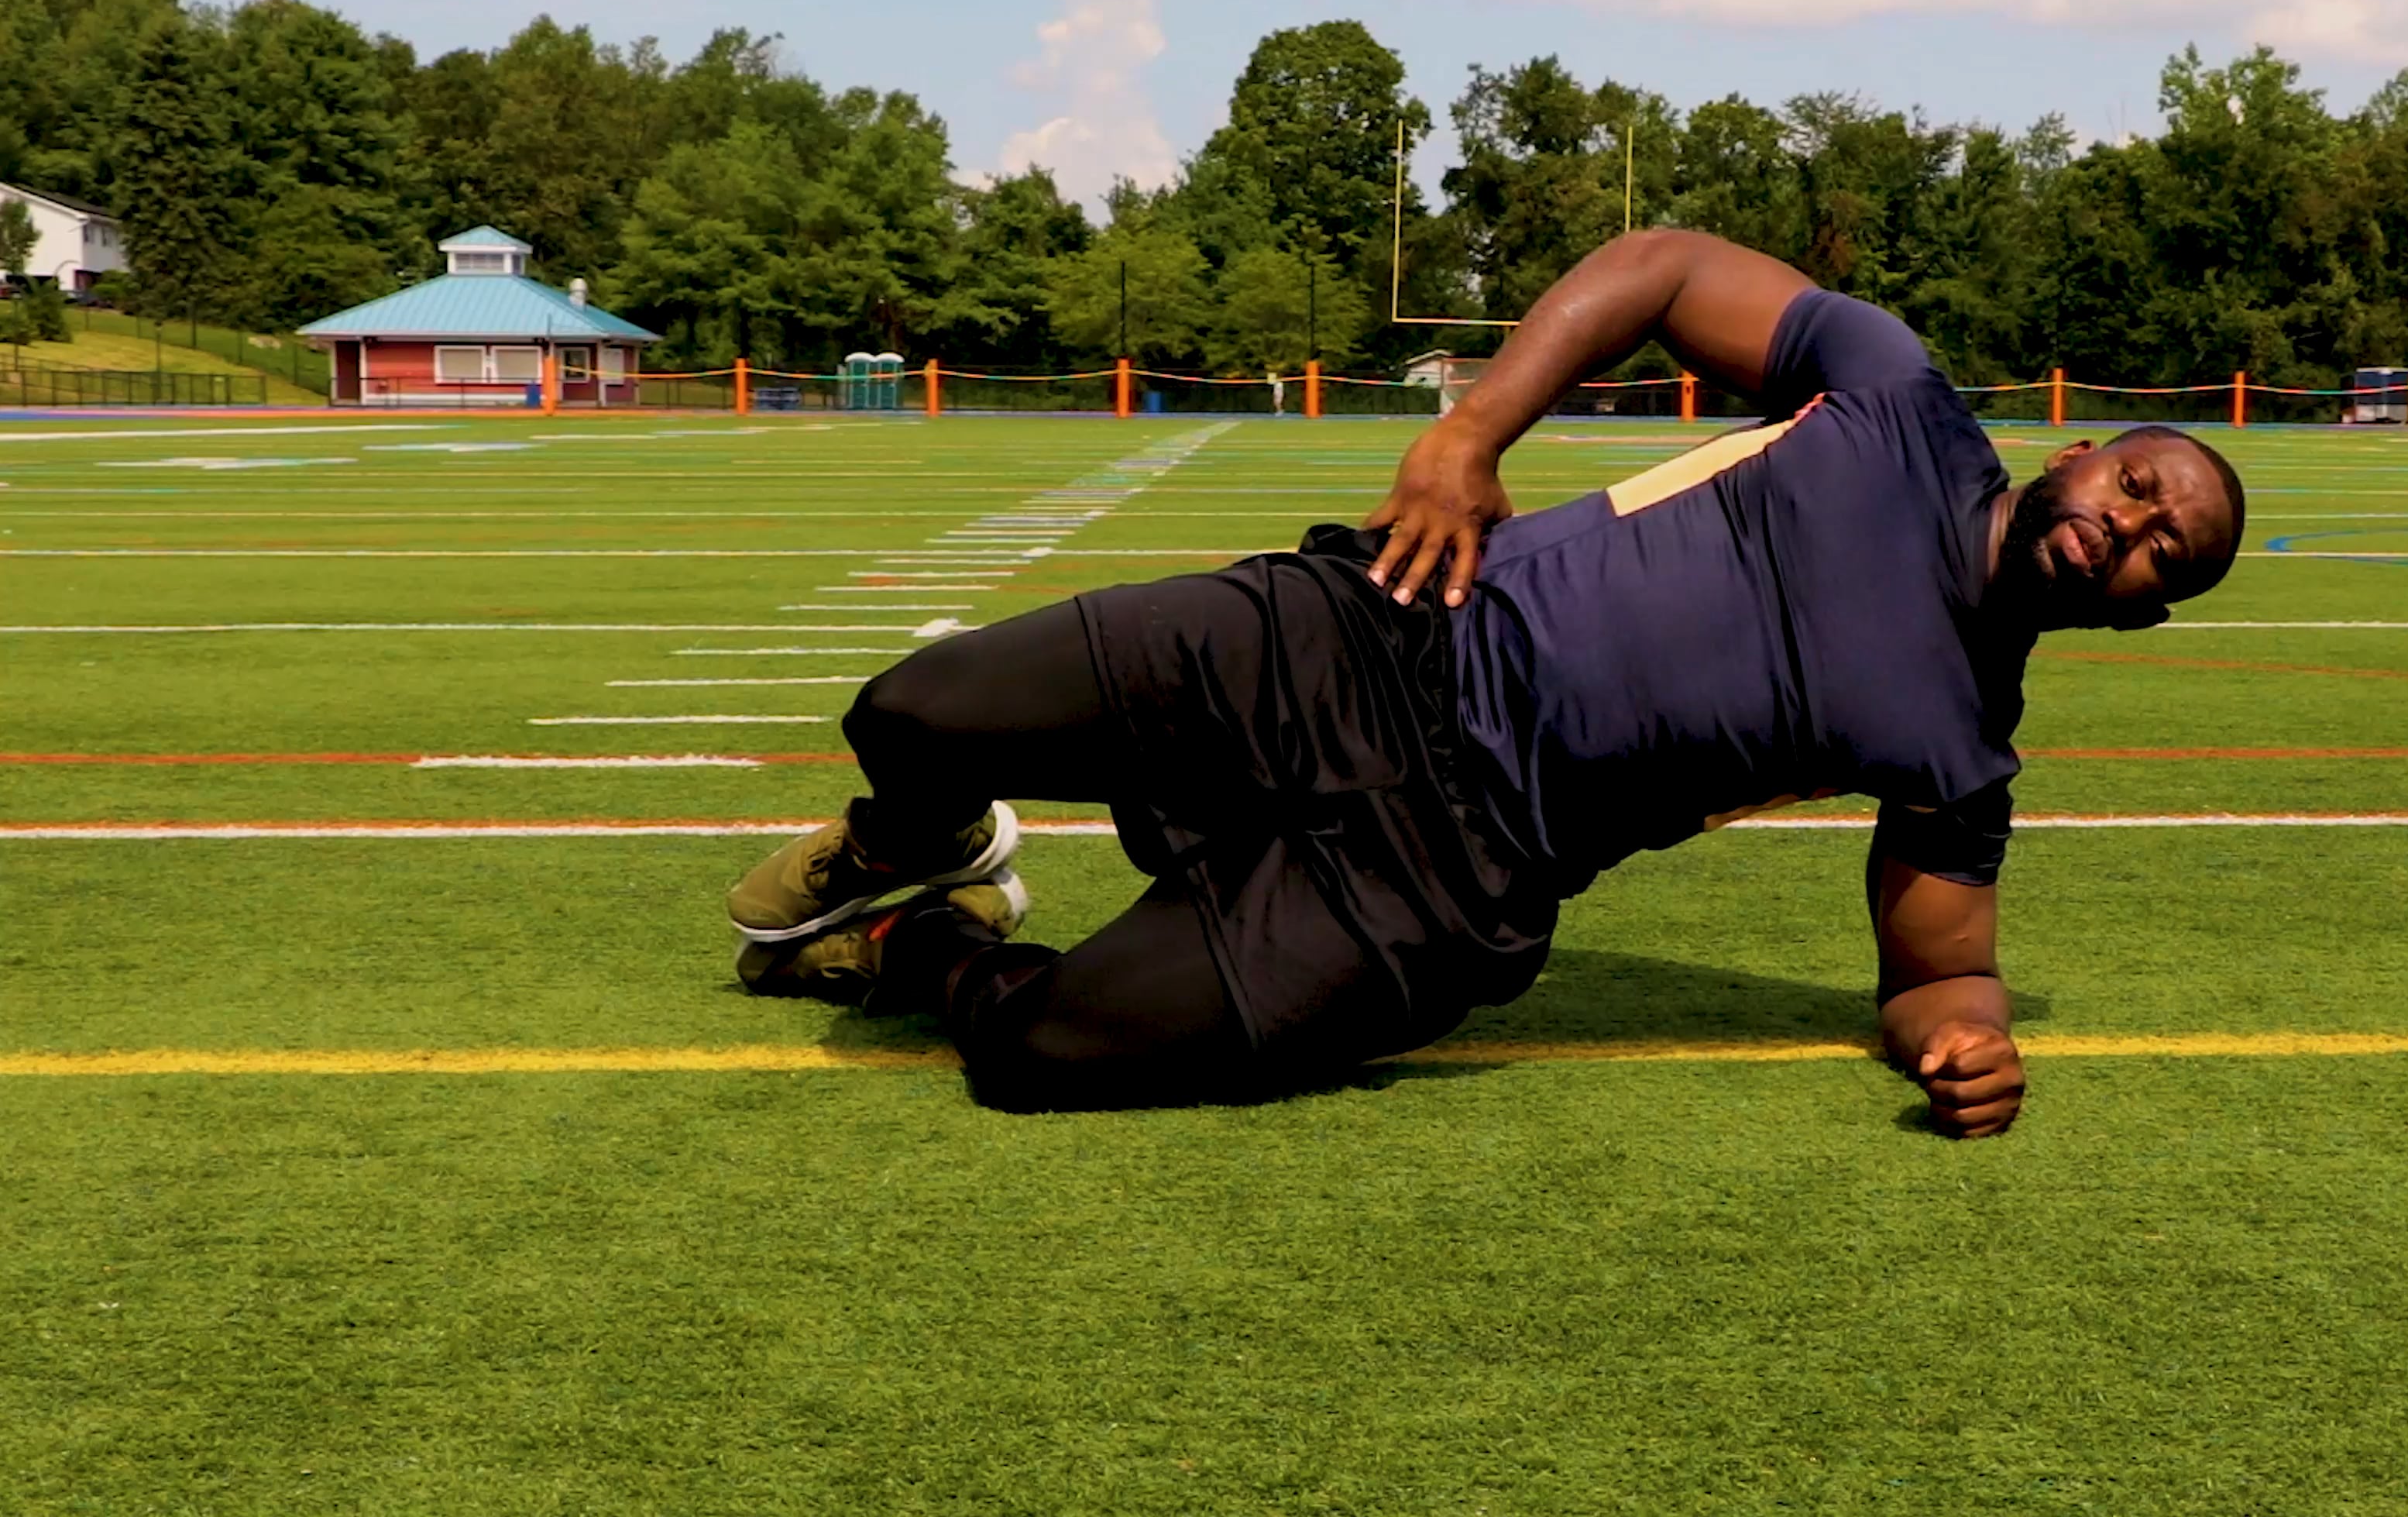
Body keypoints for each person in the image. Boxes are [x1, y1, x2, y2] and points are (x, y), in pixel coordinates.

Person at [724, 231, 2245, 1137]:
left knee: (1041, 1056)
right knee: (909, 712)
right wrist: (1468, 438)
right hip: (1371, 635)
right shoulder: (1897, 406)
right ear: (2080, 456)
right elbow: (1663, 271)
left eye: (2163, 557)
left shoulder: (1961, 750)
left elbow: (1936, 973)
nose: (2132, 530)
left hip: (1448, 876)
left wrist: (1963, 1045)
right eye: (2141, 487)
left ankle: (925, 945)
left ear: (2139, 616)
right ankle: (912, 848)